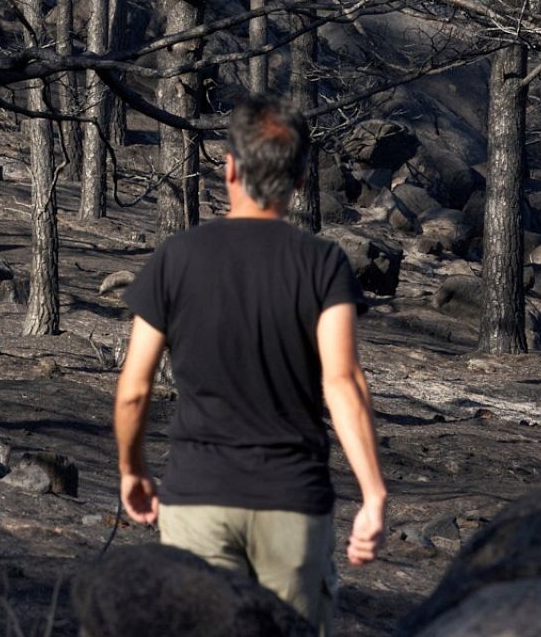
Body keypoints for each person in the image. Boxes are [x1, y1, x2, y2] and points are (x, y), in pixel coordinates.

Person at [112, 95, 387, 634]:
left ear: (230, 168)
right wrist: (373, 493)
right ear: (301, 181)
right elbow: (342, 381)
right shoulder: (323, 264)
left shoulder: (176, 257)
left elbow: (133, 390)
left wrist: (132, 470)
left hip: (197, 500)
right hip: (293, 501)